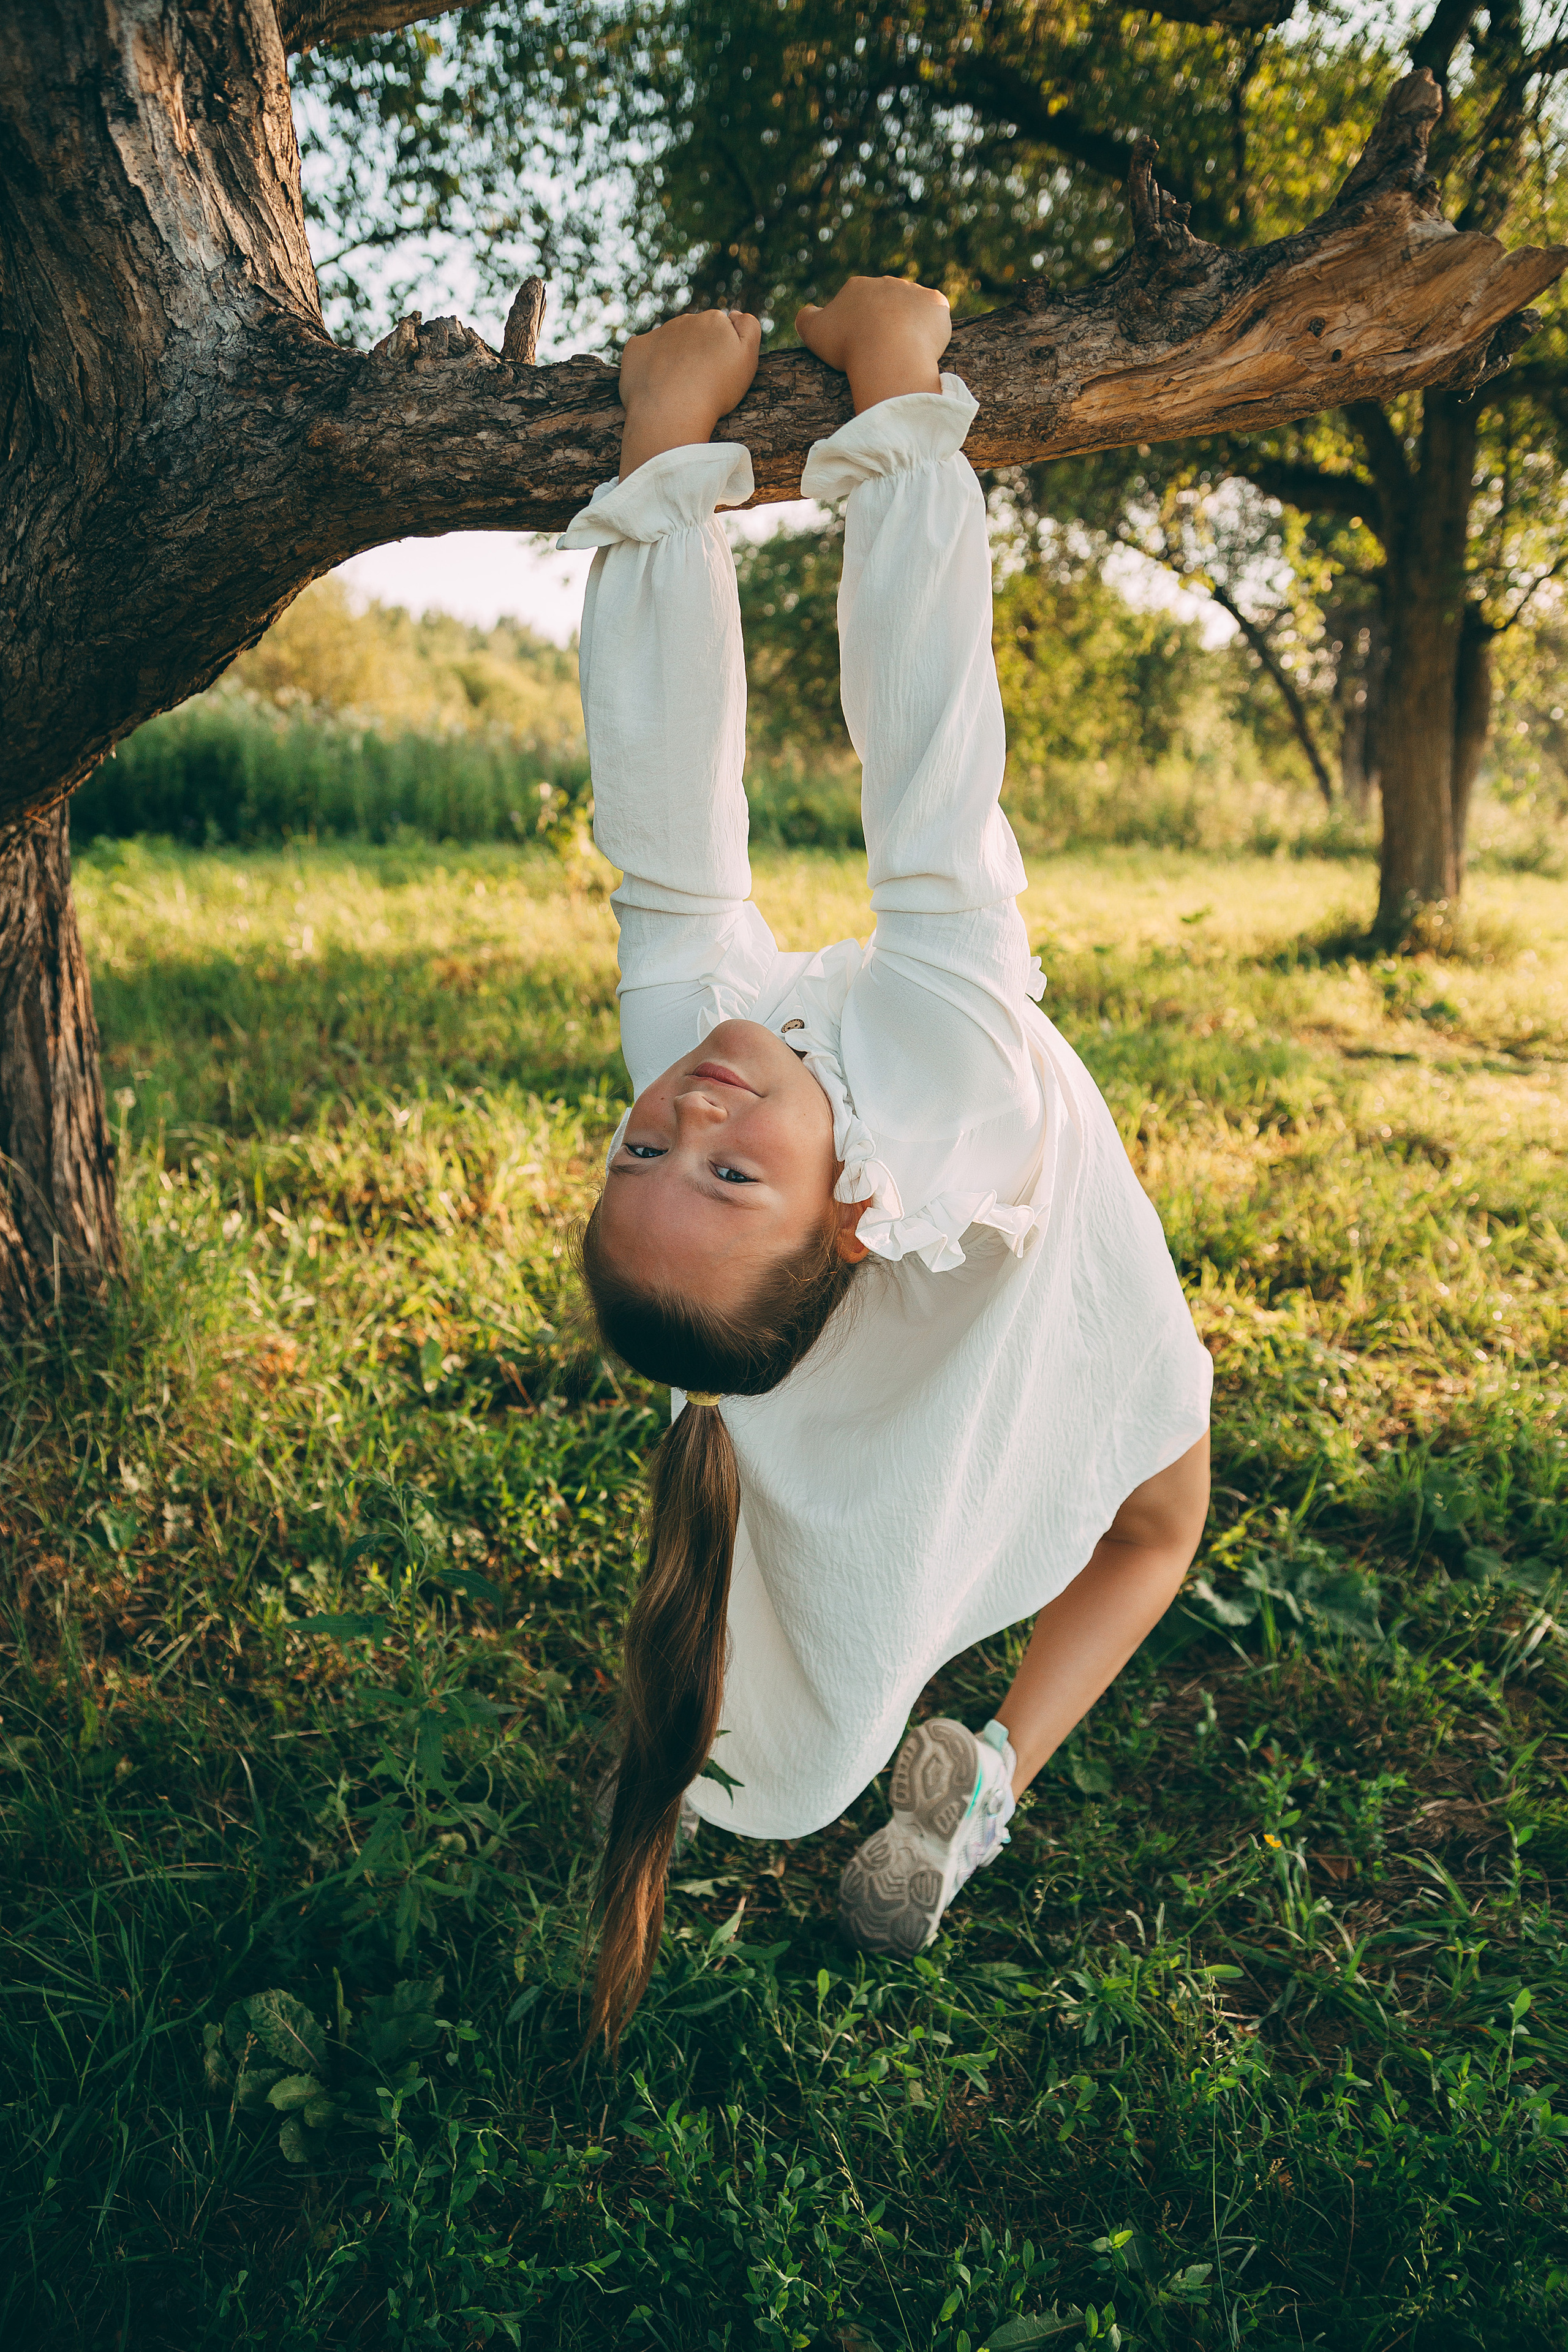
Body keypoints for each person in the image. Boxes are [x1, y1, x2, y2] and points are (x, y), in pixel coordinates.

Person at [560, 279, 1212, 2047]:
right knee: (1164, 1514)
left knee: (682, 915)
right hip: (1021, 1183)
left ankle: (978, 1777)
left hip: (863, 1284)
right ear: (839, 1220)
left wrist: (666, 451)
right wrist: (901, 404)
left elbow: (667, 838)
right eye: (723, 1172)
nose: (691, 1109)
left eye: (647, 1147)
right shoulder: (945, 1071)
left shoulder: (693, 1068)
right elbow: (932, 772)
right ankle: (991, 1771)